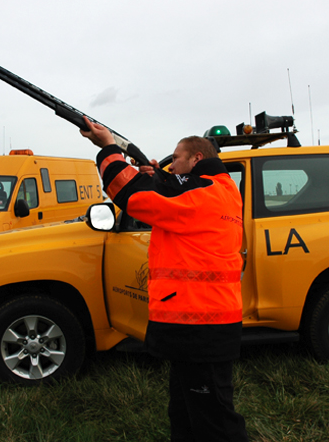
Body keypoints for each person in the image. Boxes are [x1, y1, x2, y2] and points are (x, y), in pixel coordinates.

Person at [80, 117, 248, 442]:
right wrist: (159, 176)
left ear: (196, 159)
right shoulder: (219, 189)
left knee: (215, 423)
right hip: (202, 325)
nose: (171, 165)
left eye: (177, 158)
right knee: (186, 412)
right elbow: (172, 191)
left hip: (200, 329)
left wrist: (108, 148)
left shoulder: (201, 192)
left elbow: (131, 195)